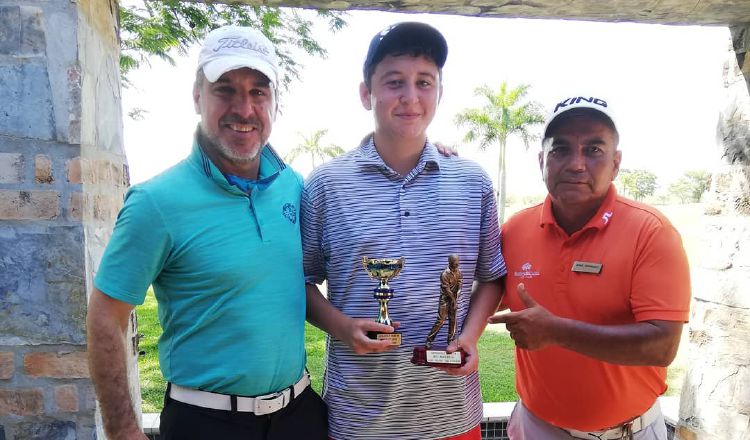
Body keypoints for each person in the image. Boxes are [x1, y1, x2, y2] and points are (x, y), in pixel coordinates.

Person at [86, 25, 327, 440]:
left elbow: (298, 284)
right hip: (206, 423)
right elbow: (105, 319)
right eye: (225, 89)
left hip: (299, 415)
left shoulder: (293, 187)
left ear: (274, 102)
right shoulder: (155, 202)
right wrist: (122, 430)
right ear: (197, 95)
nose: (244, 108)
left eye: (258, 92)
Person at [301, 22, 506, 440]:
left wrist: (469, 336)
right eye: (394, 82)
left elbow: (492, 276)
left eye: (424, 82)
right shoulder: (326, 185)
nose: (410, 97)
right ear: (366, 93)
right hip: (359, 417)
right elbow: (299, 283)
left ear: (439, 92)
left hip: (451, 414)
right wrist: (342, 328)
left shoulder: (473, 182)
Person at [489, 96, 691, 440]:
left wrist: (556, 331)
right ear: (542, 161)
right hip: (536, 427)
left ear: (616, 162)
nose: (576, 164)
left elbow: (663, 346)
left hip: (627, 433)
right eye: (561, 149)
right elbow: (480, 300)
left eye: (594, 150)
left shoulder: (651, 233)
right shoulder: (515, 231)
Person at [425, 254, 463, 348]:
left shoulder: (459, 273)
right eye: (454, 264)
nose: (456, 265)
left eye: (458, 263)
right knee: (441, 320)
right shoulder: (444, 274)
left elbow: (459, 287)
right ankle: (429, 340)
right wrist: (454, 300)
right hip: (445, 300)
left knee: (453, 320)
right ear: (450, 263)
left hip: (454, 299)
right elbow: (447, 290)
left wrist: (456, 300)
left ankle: (450, 341)